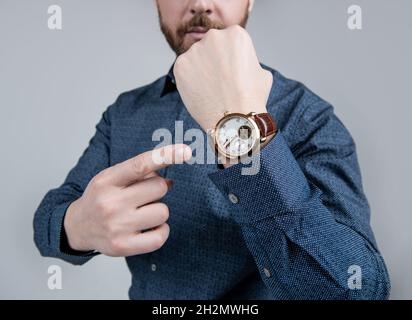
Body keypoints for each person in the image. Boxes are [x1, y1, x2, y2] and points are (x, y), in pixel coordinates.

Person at [33, 0, 390, 299]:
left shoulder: (309, 117)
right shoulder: (125, 112)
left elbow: (358, 290)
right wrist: (75, 227)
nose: (200, 3)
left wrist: (238, 122)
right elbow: (48, 219)